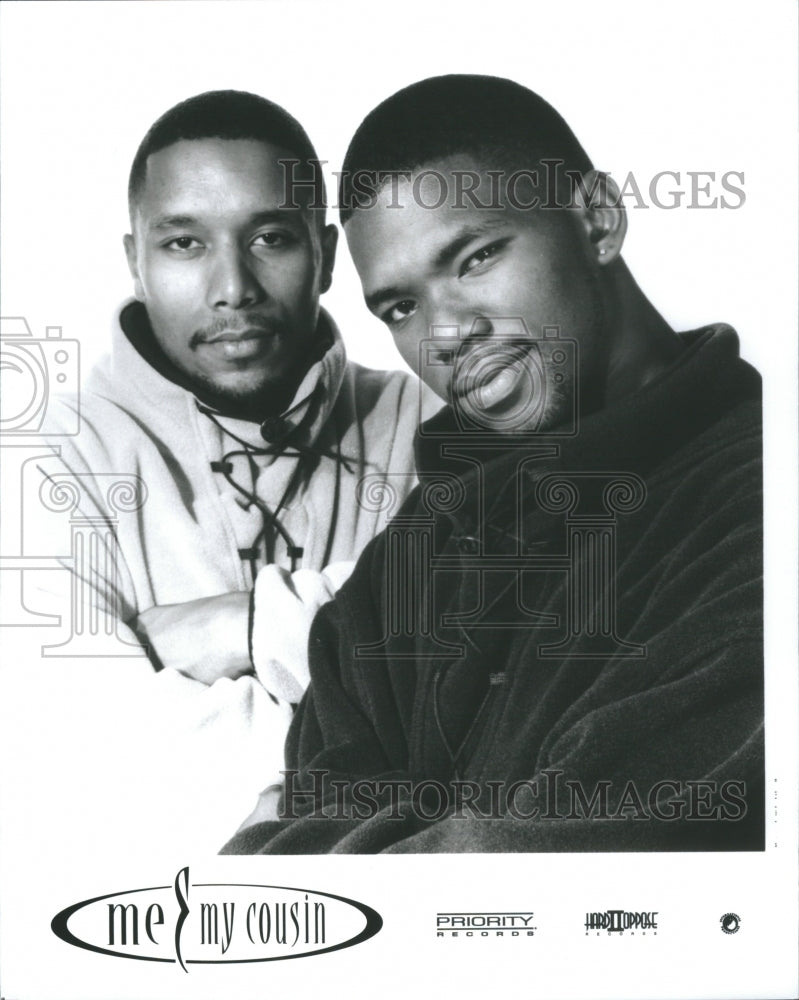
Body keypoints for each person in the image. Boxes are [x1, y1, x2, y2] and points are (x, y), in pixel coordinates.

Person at [223, 74, 764, 854]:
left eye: (474, 258)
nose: (445, 333)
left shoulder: (758, 503)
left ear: (596, 219)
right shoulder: (404, 562)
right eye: (400, 307)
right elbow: (306, 840)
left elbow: (580, 873)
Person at [17, 90, 428, 855]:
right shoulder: (44, 463)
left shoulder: (430, 425)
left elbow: (486, 683)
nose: (232, 286)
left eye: (270, 237)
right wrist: (358, 680)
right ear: (134, 260)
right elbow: (76, 750)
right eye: (183, 244)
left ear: (328, 255)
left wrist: (245, 626)